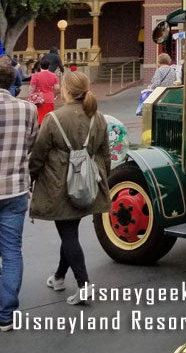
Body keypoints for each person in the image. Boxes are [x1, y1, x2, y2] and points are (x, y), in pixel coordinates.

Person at [28, 70, 111, 307]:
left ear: (65, 90)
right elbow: (105, 154)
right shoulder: (98, 117)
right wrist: (105, 180)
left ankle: (84, 284)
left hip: (60, 184)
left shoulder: (55, 119)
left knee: (68, 233)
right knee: (70, 229)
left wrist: (31, 178)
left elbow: (39, 154)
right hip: (89, 183)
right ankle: (59, 277)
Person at [0, 64, 38, 332]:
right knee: (12, 252)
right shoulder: (28, 109)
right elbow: (32, 143)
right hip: (14, 189)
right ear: (14, 82)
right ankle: (6, 313)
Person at [28, 60, 60, 125]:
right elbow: (57, 88)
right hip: (49, 98)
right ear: (49, 66)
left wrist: (30, 96)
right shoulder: (53, 75)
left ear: (40, 66)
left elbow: (32, 88)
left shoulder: (35, 75)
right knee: (49, 117)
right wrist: (53, 94)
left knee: (39, 118)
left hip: (38, 100)